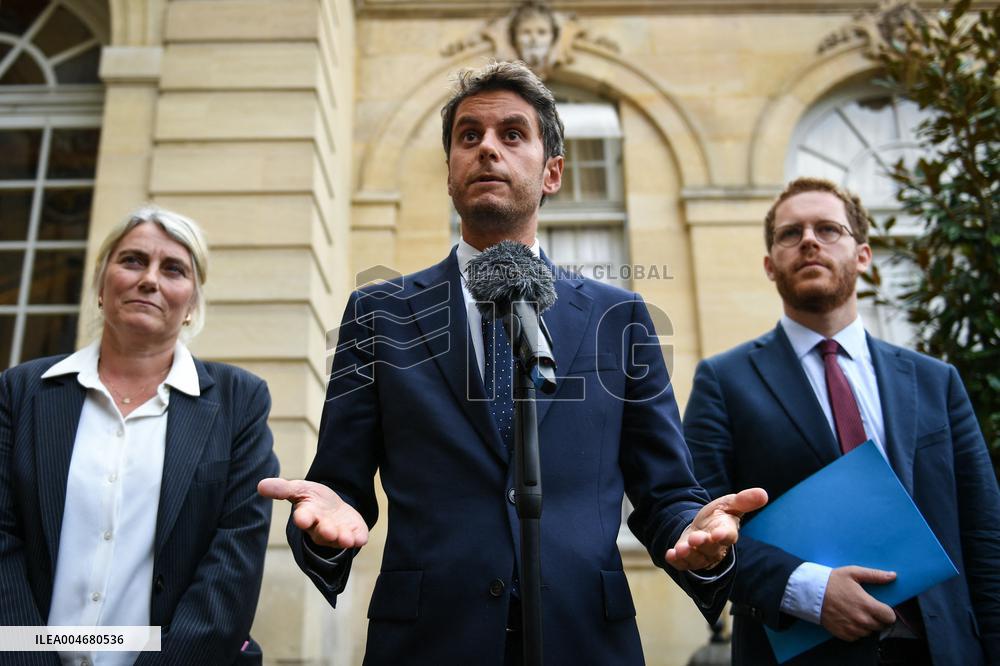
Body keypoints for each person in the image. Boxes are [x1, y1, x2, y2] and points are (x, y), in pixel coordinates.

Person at [259, 60, 766, 665]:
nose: (487, 150)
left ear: (552, 173)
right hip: (428, 640)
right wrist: (321, 528)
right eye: (468, 137)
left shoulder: (622, 316)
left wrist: (695, 533)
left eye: (512, 135)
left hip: (585, 638)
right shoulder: (379, 313)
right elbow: (339, 489)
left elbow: (666, 493)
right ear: (449, 172)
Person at [684, 177, 1000, 665]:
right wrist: (802, 589)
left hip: (946, 650)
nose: (809, 240)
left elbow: (983, 535)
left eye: (828, 229)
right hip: (805, 651)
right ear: (770, 265)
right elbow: (698, 526)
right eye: (791, 234)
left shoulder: (936, 381)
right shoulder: (723, 381)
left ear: (864, 255)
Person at [0, 206, 278, 666]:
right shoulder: (21, 391)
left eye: (173, 269)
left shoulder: (239, 402)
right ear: (101, 285)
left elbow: (232, 565)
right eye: (132, 261)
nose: (149, 279)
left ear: (191, 305)